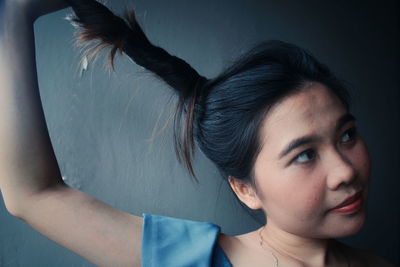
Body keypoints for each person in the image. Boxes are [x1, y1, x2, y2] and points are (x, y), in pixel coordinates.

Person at [0, 0, 397, 266]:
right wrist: (16, 16)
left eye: (346, 136)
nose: (346, 171)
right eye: (304, 154)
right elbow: (34, 195)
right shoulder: (194, 259)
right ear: (246, 189)